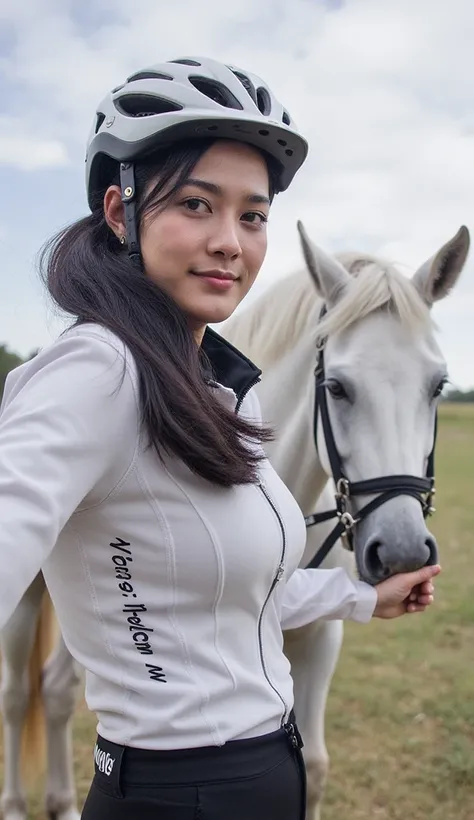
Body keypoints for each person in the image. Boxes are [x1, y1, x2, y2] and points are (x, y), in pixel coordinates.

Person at [0, 56, 440, 819]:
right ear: (118, 210)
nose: (231, 242)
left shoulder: (206, 388)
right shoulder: (97, 370)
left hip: (259, 779)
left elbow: (227, 587)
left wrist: (362, 597)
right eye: (197, 205)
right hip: (177, 796)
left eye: (252, 215)